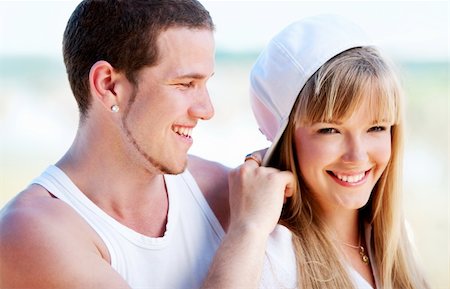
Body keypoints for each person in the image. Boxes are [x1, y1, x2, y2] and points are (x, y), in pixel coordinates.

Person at [0, 1, 293, 288]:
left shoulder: (226, 190)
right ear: (109, 86)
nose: (206, 109)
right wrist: (248, 231)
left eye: (206, 84)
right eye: (185, 84)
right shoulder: (30, 232)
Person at [247, 15, 431, 288]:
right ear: (285, 140)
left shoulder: (397, 238)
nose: (357, 156)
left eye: (377, 127)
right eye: (330, 130)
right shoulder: (271, 259)